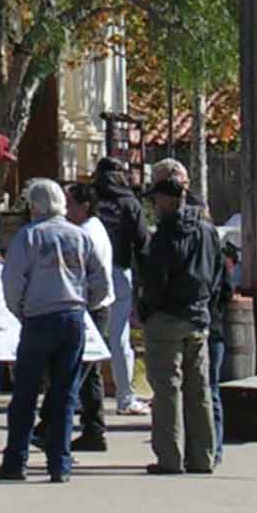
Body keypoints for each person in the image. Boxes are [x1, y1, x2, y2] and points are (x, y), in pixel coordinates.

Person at [0, 178, 111, 483]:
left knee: (26, 392)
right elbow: (101, 281)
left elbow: (12, 281)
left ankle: (16, 461)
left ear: (35, 206)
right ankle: (60, 463)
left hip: (38, 317)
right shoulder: (79, 235)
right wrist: (83, 303)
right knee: (65, 392)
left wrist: (21, 310)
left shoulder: (29, 236)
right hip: (73, 317)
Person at [137, 159, 221, 476]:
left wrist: (146, 309)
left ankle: (169, 457)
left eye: (157, 199)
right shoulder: (207, 230)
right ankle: (203, 456)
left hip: (166, 317)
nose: (154, 206)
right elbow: (216, 274)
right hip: (198, 316)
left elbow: (155, 280)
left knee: (167, 389)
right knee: (199, 389)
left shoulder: (166, 235)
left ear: (168, 199)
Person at [56, 182, 116, 454]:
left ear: (85, 206)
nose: (65, 210)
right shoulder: (91, 228)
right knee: (90, 373)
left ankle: (53, 424)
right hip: (96, 305)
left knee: (78, 370)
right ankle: (94, 429)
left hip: (92, 307)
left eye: (69, 204)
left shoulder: (86, 233)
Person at [88, 159, 149, 419]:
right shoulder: (129, 203)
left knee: (87, 335)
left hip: (87, 272)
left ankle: (80, 398)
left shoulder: (89, 200)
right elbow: (142, 243)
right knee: (119, 338)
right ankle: (125, 397)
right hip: (119, 270)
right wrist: (146, 282)